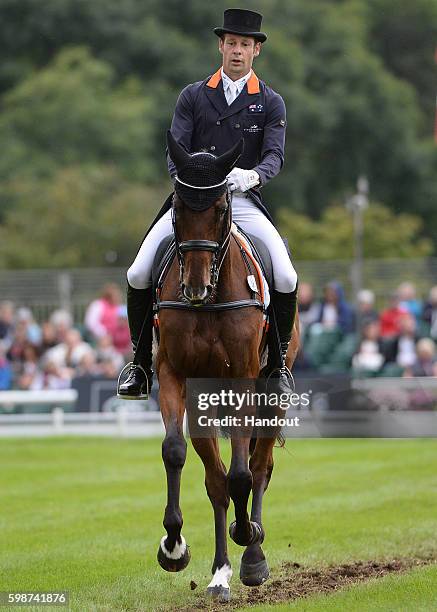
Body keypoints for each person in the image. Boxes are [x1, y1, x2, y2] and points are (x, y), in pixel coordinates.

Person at [119, 8, 298, 398]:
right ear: (221, 46)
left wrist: (252, 176)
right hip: (193, 201)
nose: (237, 51)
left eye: (245, 45)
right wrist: (194, 182)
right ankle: (139, 365)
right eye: (231, 43)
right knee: (137, 272)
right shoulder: (194, 95)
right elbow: (176, 150)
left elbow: (275, 156)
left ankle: (279, 366)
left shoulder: (270, 102)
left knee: (285, 276)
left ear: (256, 51)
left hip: (242, 201)